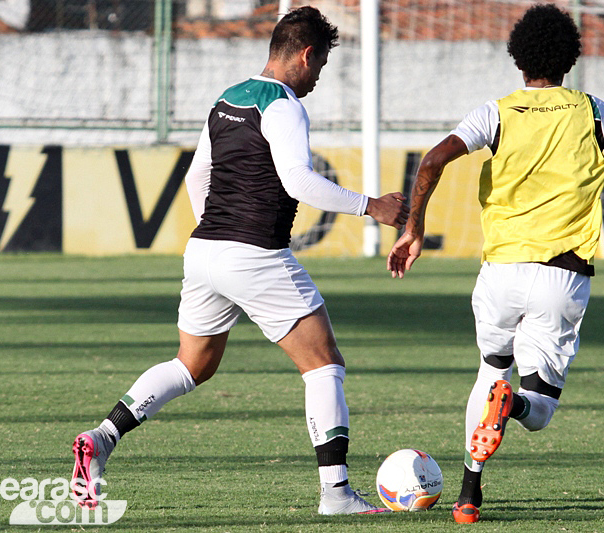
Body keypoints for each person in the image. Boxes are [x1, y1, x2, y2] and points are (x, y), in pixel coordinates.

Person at [71, 6, 408, 516]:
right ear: (306, 54)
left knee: (191, 366)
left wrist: (220, 231)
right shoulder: (285, 105)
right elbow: (298, 181)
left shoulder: (226, 99)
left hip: (204, 251)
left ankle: (102, 438)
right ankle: (336, 494)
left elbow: (194, 180)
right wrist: (372, 206)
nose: (317, 79)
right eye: (319, 67)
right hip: (254, 254)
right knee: (323, 366)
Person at [387, 4, 604, 524]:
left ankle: (470, 493)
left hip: (500, 274)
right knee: (538, 409)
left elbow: (432, 161)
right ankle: (508, 408)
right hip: (562, 274)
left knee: (491, 369)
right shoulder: (596, 112)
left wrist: (414, 228)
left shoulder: (496, 111)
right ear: (571, 58)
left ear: (518, 58)